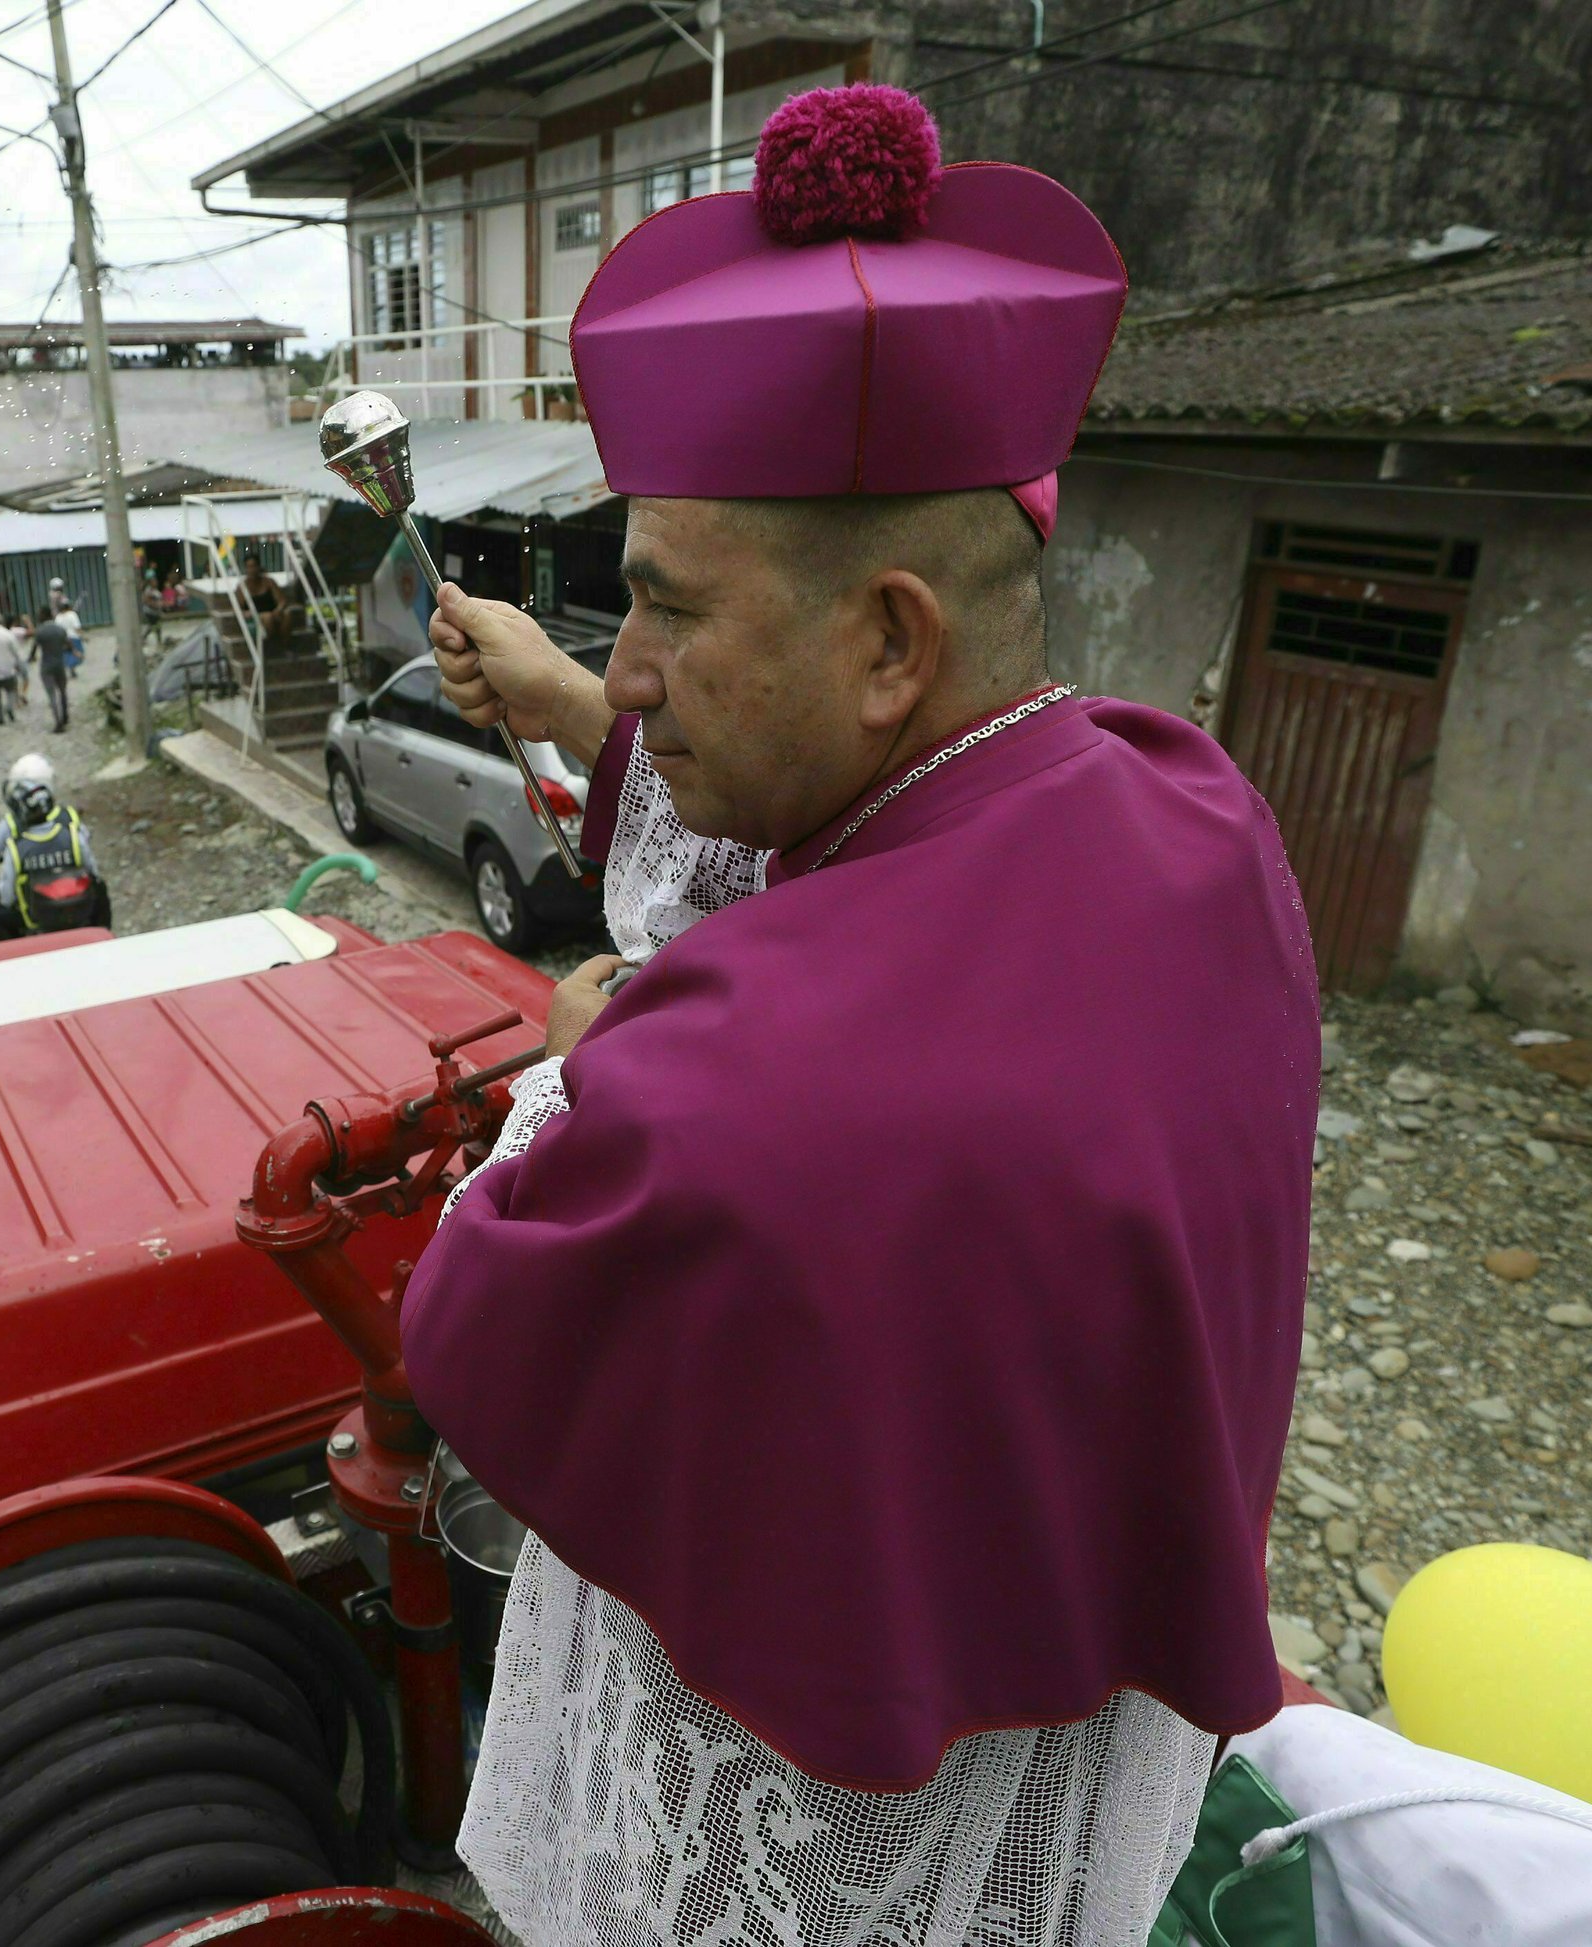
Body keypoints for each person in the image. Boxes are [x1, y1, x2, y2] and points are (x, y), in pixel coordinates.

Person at [400, 85, 1316, 1947]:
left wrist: (584, 1036)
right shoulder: (1186, 814)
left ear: (890, 638)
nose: (634, 673)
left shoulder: (737, 1103)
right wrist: (580, 705)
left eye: (660, 609)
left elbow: (478, 1312)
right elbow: (860, 851)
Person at [0, 752, 109, 939]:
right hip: (78, 910)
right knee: (101, 891)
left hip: (35, 918)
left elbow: (7, 894)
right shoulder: (70, 827)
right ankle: (105, 937)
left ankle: (7, 962)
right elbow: (93, 870)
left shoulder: (15, 844)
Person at [32, 604, 76, 731]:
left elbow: (34, 650)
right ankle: (65, 715)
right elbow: (68, 645)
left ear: (43, 615)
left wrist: (31, 658)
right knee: (62, 692)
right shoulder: (60, 629)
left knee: (51, 694)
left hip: (46, 665)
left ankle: (58, 722)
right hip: (59, 664)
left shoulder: (40, 631)